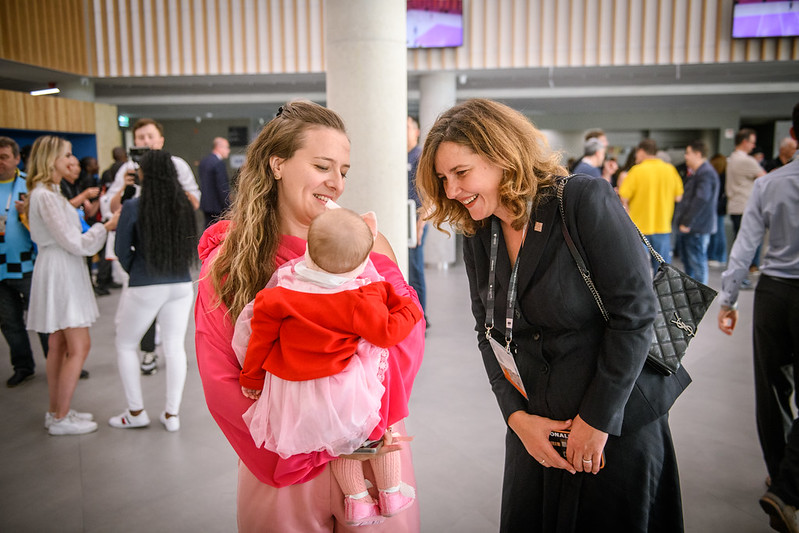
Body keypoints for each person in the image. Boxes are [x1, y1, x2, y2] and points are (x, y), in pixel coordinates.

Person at [415, 99, 688, 532]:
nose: (451, 192)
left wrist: (596, 421)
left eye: (461, 173)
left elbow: (635, 314)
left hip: (614, 425)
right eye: (443, 179)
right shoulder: (478, 231)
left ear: (503, 156)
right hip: (536, 429)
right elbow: (486, 332)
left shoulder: (580, 200)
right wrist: (516, 418)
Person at [194, 99, 424, 531]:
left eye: (344, 171)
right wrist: (313, 446)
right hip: (285, 461)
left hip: (371, 454)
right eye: (323, 166)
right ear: (277, 164)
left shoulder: (368, 245)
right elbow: (219, 373)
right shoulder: (231, 260)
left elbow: (406, 342)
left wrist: (355, 432)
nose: (336, 183)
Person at [234, 207, 421, 526]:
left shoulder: (280, 292)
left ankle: (359, 501)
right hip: (343, 392)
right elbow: (387, 333)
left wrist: (251, 377)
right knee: (368, 433)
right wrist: (411, 311)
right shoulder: (360, 298)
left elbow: (259, 341)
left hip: (295, 397)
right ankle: (386, 493)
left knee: (336, 445)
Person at [718, 102, 799, 533]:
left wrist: (729, 299)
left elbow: (745, 246)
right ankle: (788, 487)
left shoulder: (771, 184)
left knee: (772, 387)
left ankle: (779, 475)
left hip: (774, 292)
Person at [24, 135, 119, 435]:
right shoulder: (46, 195)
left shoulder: (48, 192)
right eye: (66, 155)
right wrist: (105, 227)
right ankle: (61, 416)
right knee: (79, 345)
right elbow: (74, 242)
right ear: (51, 159)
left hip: (58, 267)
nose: (71, 161)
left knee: (59, 344)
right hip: (61, 270)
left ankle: (58, 411)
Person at [100, 118, 200, 376]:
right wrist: (127, 185)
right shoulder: (126, 171)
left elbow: (193, 202)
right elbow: (113, 209)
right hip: (141, 254)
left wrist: (163, 183)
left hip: (170, 255)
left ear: (161, 139)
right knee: (143, 321)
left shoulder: (177, 166)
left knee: (170, 339)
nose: (145, 142)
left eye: (149, 136)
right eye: (140, 138)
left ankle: (160, 412)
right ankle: (148, 354)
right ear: (134, 142)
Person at [108, 150, 196, 432]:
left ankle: (136, 412)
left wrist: (137, 269)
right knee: (174, 347)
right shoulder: (183, 205)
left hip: (145, 284)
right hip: (182, 284)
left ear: (146, 173)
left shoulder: (133, 206)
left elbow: (121, 249)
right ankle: (172, 415)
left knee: (125, 344)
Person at [0, 136, 48, 387]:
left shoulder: (29, 187)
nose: (0, 162)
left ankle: (56, 364)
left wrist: (26, 213)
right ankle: (22, 366)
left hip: (29, 265)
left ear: (17, 159)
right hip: (0, 269)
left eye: (4, 157)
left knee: (43, 319)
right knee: (9, 322)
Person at [618, 138, 684, 273]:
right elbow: (678, 197)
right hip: (662, 227)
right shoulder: (670, 170)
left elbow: (624, 196)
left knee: (637, 269)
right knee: (663, 270)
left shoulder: (636, 171)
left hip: (639, 228)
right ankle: (661, 294)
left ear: (641, 152)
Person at [677, 140, 719, 284]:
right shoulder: (700, 172)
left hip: (697, 227)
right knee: (692, 263)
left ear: (698, 154)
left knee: (697, 263)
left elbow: (701, 199)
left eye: (688, 153)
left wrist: (687, 221)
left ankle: (700, 299)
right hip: (695, 227)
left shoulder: (705, 173)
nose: (686, 157)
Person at [727, 128, 766, 280]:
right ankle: (742, 277)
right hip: (744, 208)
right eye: (752, 143)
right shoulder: (746, 160)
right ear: (744, 142)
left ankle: (740, 277)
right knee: (747, 245)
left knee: (741, 244)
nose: (753, 146)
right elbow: (766, 180)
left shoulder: (732, 159)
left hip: (736, 207)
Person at [406, 115, 428, 323]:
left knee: (414, 267)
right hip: (402, 217)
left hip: (416, 219)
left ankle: (421, 314)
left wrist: (421, 223)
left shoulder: (419, 156)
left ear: (416, 131)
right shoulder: (400, 156)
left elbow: (429, 193)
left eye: (407, 127)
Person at [199, 136, 231, 228]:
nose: (228, 151)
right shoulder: (219, 163)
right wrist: (227, 207)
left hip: (206, 205)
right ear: (219, 147)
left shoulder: (204, 162)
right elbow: (222, 187)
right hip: (218, 207)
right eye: (227, 147)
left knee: (208, 232)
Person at [707, 153, 728, 267]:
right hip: (720, 208)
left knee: (717, 233)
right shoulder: (723, 175)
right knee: (719, 232)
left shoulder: (720, 176)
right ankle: (720, 257)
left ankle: (716, 256)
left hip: (717, 208)